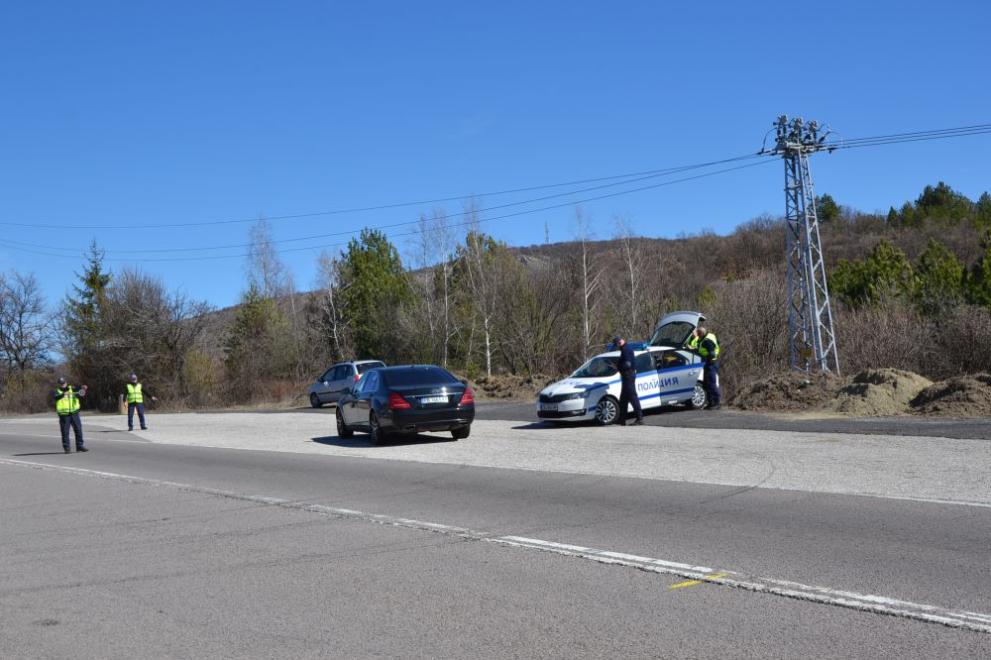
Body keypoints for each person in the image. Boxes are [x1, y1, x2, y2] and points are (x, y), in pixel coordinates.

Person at [52, 377, 88, 453]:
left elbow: (80, 391)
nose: (63, 385)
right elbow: (55, 397)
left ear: (66, 382)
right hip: (64, 415)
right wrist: (63, 394)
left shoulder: (72, 388)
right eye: (61, 384)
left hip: (74, 413)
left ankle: (80, 446)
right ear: (59, 384)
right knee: (65, 432)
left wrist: (83, 388)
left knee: (78, 429)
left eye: (64, 383)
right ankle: (67, 448)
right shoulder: (57, 391)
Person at [613, 336, 643, 426]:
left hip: (628, 376)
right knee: (623, 399)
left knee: (633, 397)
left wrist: (618, 367)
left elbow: (628, 364)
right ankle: (622, 420)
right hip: (627, 376)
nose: (617, 346)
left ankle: (639, 418)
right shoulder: (625, 348)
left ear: (619, 342)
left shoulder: (626, 350)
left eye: (617, 344)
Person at [691, 326, 721, 410]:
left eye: (698, 334)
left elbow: (712, 354)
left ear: (701, 333)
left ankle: (716, 403)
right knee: (707, 384)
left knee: (711, 384)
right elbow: (718, 343)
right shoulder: (710, 336)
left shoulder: (706, 341)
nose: (698, 336)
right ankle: (711, 403)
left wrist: (707, 359)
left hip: (711, 364)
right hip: (712, 363)